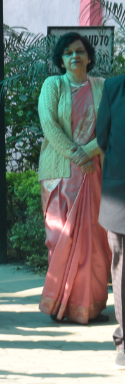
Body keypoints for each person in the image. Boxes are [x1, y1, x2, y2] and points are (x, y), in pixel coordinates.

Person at [37, 32, 110, 324]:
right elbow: (49, 124)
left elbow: (109, 126)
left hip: (94, 171)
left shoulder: (102, 86)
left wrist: (88, 153)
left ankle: (89, 306)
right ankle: (59, 304)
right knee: (59, 238)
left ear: (89, 56)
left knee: (94, 240)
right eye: (68, 53)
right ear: (61, 59)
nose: (74, 56)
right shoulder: (53, 85)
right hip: (59, 174)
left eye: (79, 51)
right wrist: (76, 154)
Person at [96, 72, 125, 369]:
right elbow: (102, 137)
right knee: (122, 270)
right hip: (120, 195)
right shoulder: (115, 87)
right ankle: (124, 341)